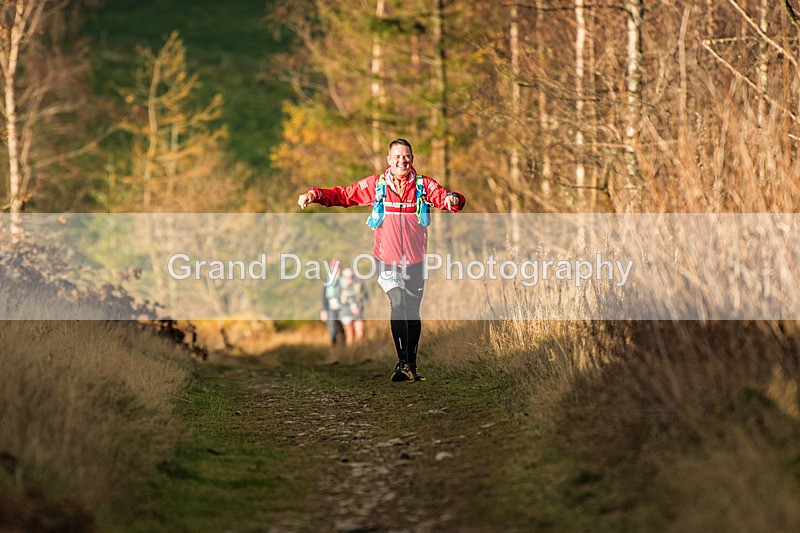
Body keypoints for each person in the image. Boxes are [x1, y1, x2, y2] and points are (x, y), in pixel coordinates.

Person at [298, 138, 466, 381]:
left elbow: (446, 197)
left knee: (412, 313)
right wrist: (314, 194)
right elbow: (344, 196)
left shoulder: (423, 185)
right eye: (397, 156)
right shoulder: (376, 185)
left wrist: (454, 199)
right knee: (397, 302)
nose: (402, 160)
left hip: (415, 261)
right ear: (389, 160)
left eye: (406, 156)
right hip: (386, 260)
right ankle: (401, 364)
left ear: (412, 159)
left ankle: (412, 365)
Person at [338, 267, 369, 344]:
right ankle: (351, 354)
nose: (349, 279)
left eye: (350, 277)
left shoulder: (359, 283)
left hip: (358, 312)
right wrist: (348, 307)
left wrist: (359, 306)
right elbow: (338, 300)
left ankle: (359, 352)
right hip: (345, 313)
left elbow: (366, 297)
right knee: (350, 335)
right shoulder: (340, 285)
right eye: (346, 277)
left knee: (360, 333)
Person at [320, 259, 345, 346]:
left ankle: (345, 350)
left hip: (343, 308)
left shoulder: (343, 280)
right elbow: (324, 297)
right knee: (332, 329)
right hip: (331, 309)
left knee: (343, 330)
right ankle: (334, 347)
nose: (336, 270)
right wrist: (323, 310)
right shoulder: (327, 280)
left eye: (338, 268)